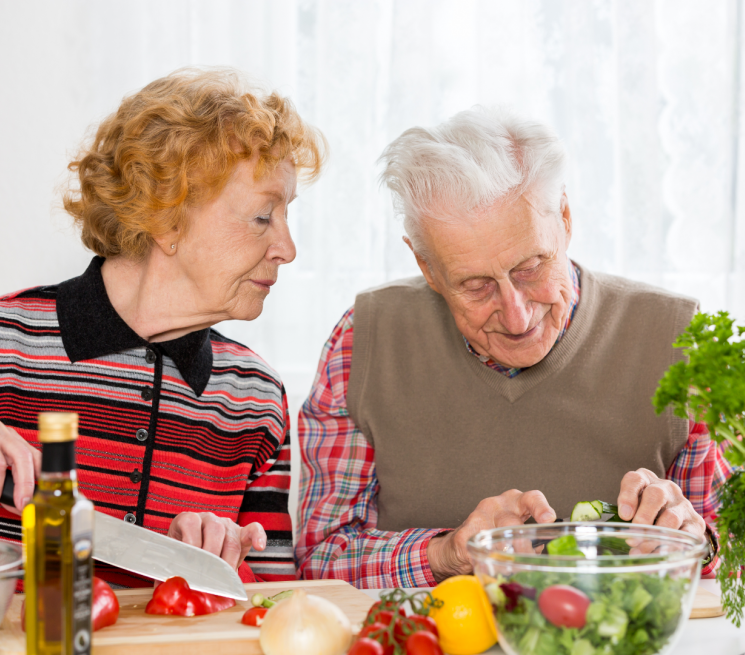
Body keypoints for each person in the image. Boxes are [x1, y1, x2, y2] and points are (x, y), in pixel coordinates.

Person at [295, 106, 732, 588]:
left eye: (531, 268)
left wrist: (697, 542)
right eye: (476, 285)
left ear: (564, 218)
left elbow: (733, 557)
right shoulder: (362, 343)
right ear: (428, 267)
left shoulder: (682, 342)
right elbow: (320, 557)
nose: (517, 314)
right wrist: (447, 552)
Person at [0, 68, 325, 586]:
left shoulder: (256, 396)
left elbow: (272, 611)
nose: (287, 249)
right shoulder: (8, 342)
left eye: (287, 217)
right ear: (166, 221)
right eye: (264, 217)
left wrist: (224, 567)